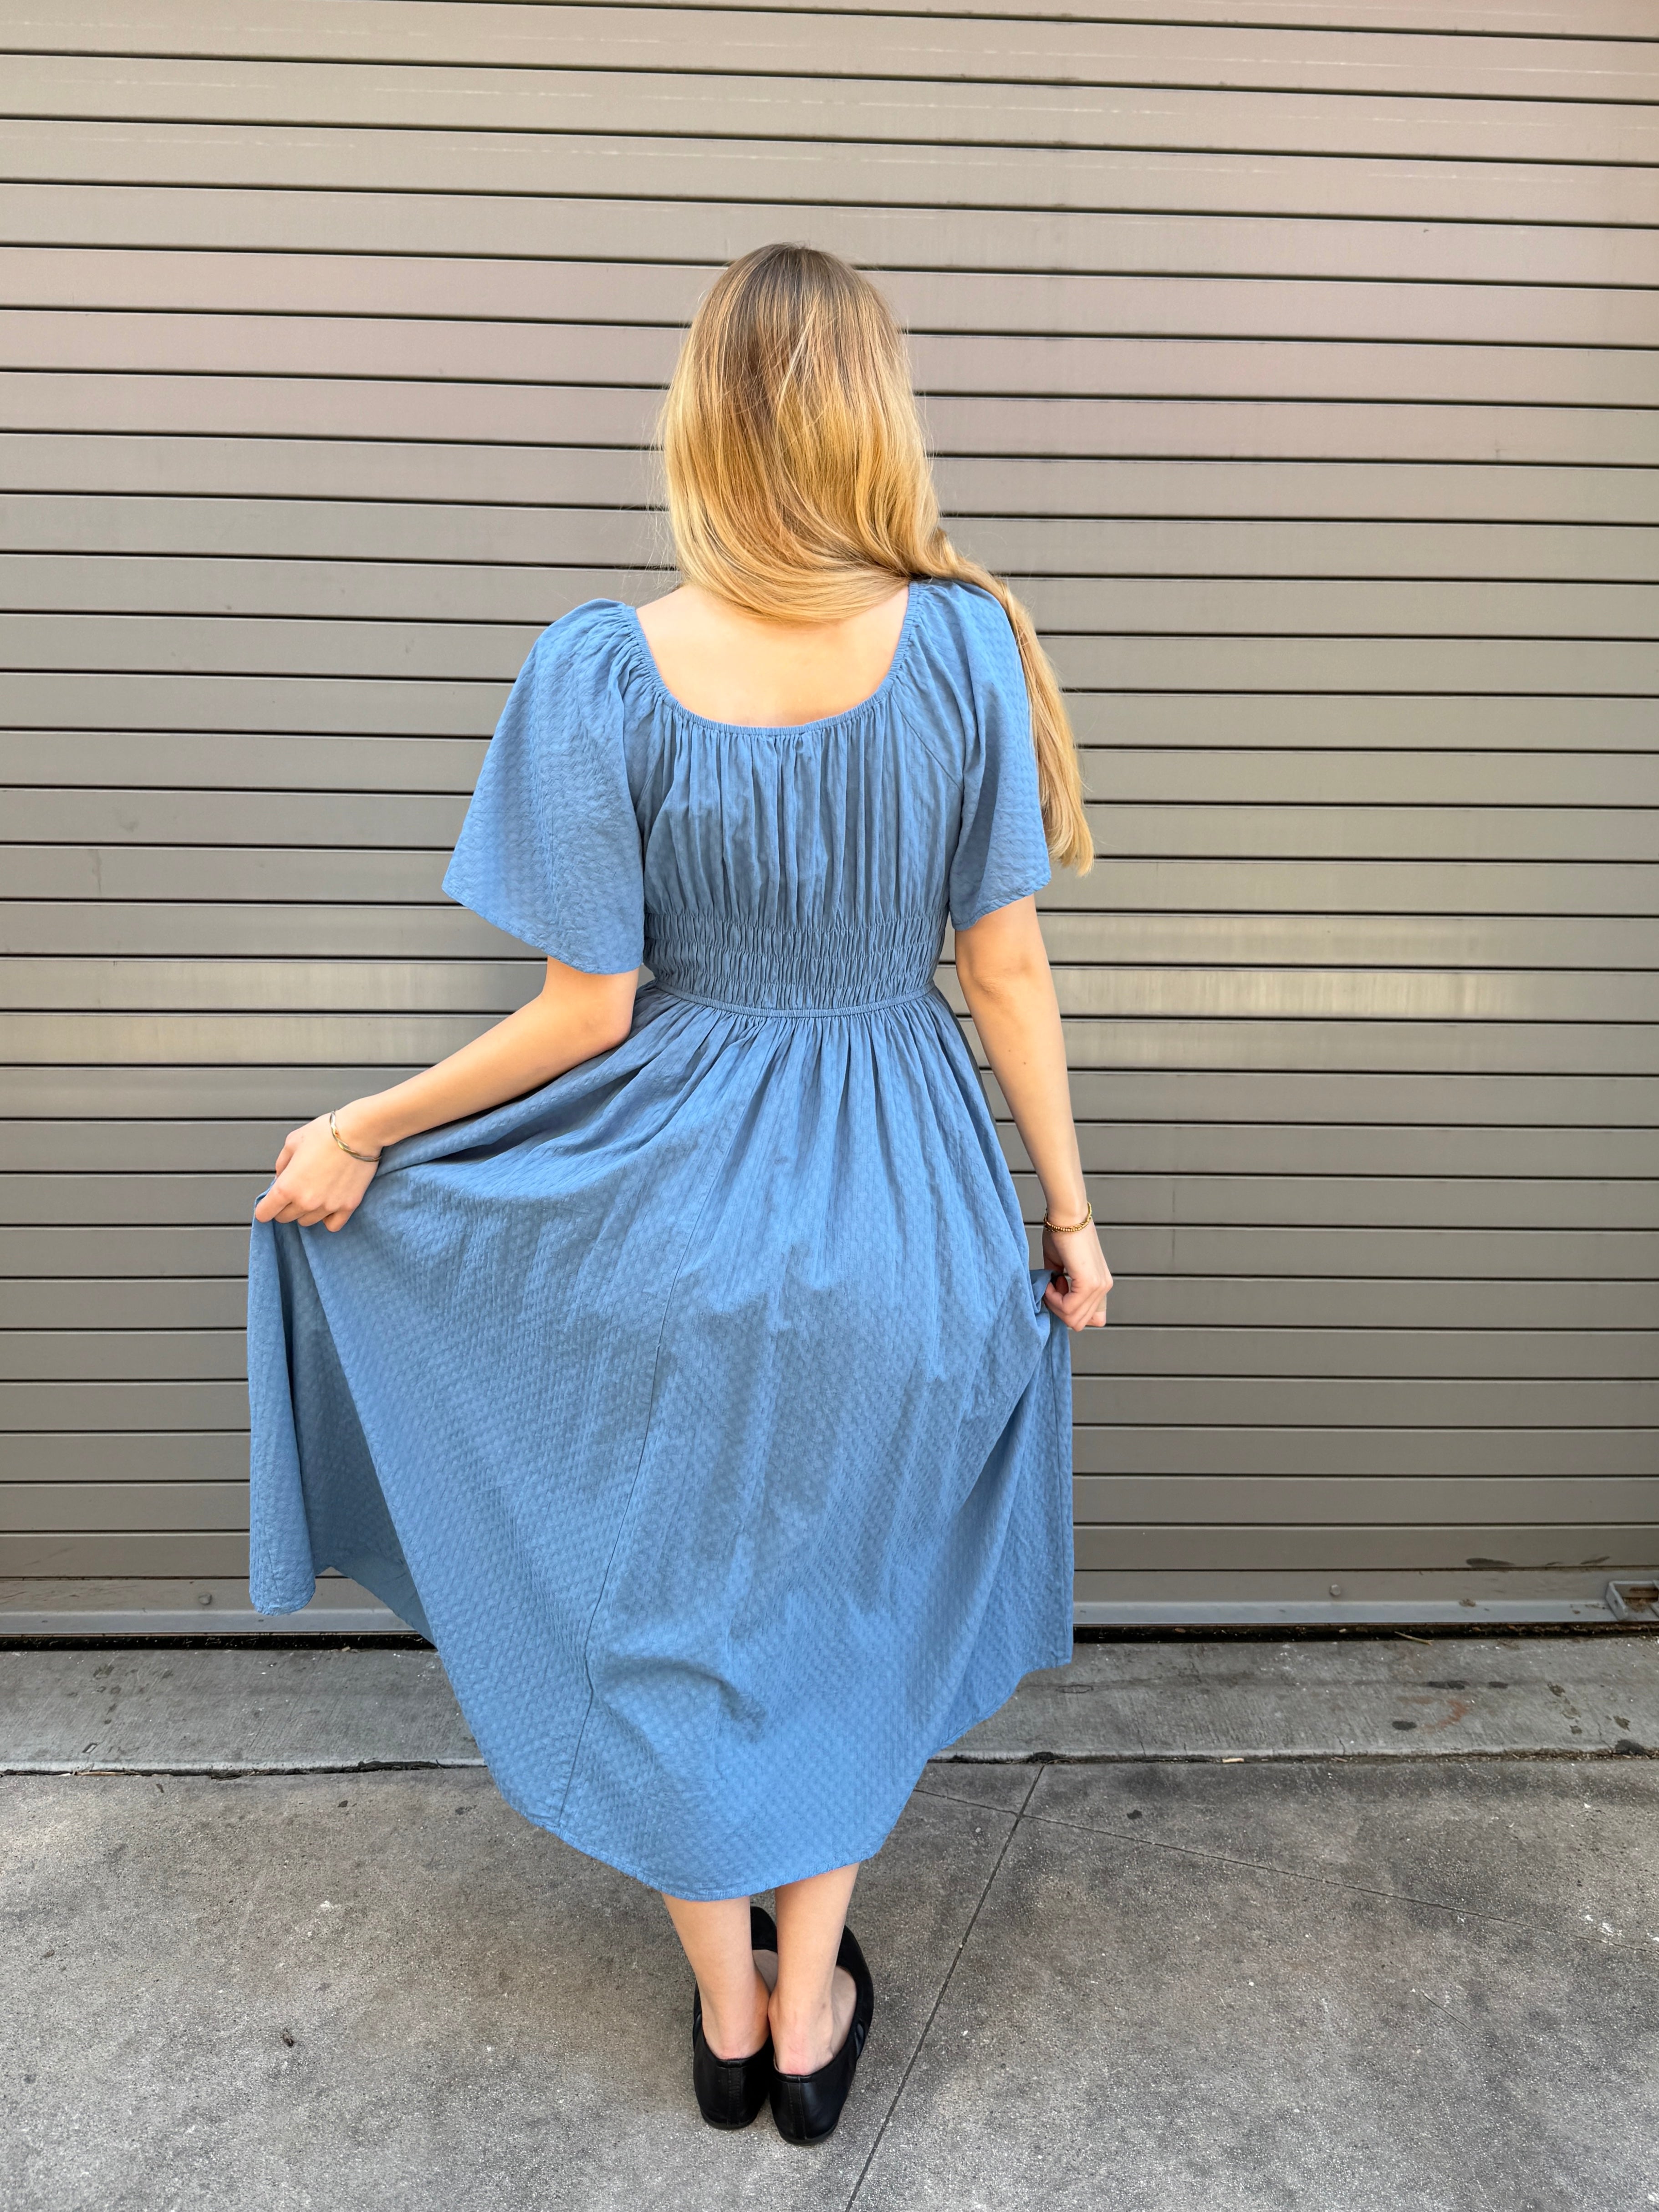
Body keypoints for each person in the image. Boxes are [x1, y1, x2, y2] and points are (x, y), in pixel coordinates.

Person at [247, 243, 1111, 2146]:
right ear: (876, 416)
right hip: (908, 1215)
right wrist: (1063, 1219)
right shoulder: (969, 645)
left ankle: (718, 2003)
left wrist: (366, 1132)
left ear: (699, 424)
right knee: (848, 1614)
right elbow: (1007, 975)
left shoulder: (602, 668)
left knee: (670, 1618)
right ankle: (813, 2016)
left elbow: (583, 1012)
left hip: (669, 1226)